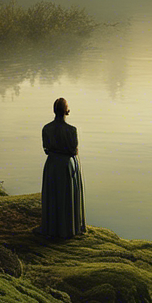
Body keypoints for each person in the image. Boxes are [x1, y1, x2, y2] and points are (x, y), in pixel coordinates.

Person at [38, 97, 86, 238]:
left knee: (53, 195)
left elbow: (46, 149)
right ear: (67, 111)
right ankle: (69, 228)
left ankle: (52, 228)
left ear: (54, 110)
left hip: (52, 164)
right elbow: (73, 150)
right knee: (67, 196)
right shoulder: (72, 130)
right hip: (67, 165)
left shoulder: (46, 128)